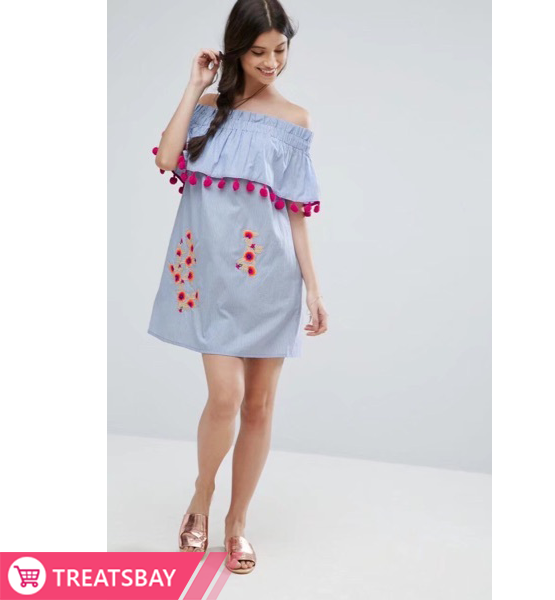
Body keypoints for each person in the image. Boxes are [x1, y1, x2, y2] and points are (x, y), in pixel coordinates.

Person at [148, 0, 328, 574]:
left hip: (272, 283)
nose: (272, 62)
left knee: (258, 405)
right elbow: (167, 158)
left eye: (280, 50)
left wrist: (314, 289)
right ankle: (201, 498)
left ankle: (236, 523)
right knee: (224, 398)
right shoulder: (206, 110)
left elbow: (295, 213)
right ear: (236, 51)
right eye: (259, 52)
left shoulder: (295, 120)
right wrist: (194, 84)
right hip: (212, 279)